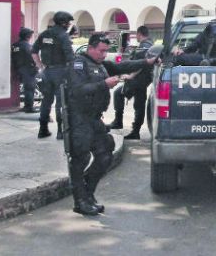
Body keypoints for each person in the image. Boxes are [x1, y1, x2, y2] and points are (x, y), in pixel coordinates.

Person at [66, 34, 157, 215]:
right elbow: (77, 91)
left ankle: (87, 193)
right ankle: (80, 201)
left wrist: (147, 62)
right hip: (79, 120)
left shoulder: (101, 64)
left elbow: (121, 66)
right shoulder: (79, 64)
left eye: (106, 51)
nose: (103, 54)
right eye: (101, 51)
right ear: (90, 48)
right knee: (79, 160)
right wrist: (103, 84)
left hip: (94, 118)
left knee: (105, 154)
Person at [106, 26, 155, 140]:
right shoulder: (150, 44)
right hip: (143, 80)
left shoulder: (144, 46)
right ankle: (130, 128)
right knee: (138, 103)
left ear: (139, 34)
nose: (136, 37)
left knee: (124, 96)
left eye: (136, 35)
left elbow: (141, 64)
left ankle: (129, 127)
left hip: (138, 80)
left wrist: (130, 76)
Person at [32, 11, 75, 139]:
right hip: (61, 71)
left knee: (46, 101)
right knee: (61, 102)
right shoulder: (63, 36)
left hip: (46, 72)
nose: (69, 25)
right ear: (63, 22)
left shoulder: (45, 34)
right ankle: (61, 131)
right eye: (68, 22)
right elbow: (70, 58)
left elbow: (34, 52)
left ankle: (43, 129)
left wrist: (41, 67)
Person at [12, 27, 38, 113]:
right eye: (30, 35)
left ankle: (26, 106)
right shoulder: (27, 46)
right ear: (27, 36)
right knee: (30, 89)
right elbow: (32, 57)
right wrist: (36, 66)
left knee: (27, 88)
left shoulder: (14, 45)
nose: (31, 37)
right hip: (28, 69)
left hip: (19, 69)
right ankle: (29, 107)